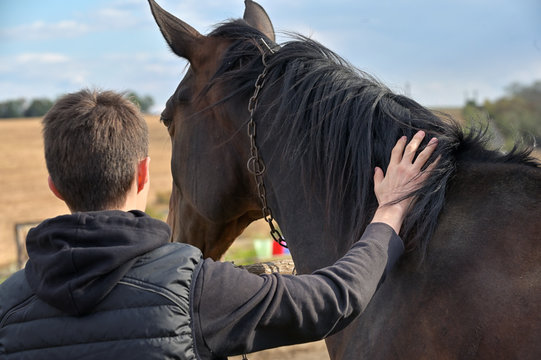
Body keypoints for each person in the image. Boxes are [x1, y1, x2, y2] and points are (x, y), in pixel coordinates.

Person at [0, 89, 437, 360]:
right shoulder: (194, 289)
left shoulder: (7, 307)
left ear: (55, 186)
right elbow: (333, 297)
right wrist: (389, 212)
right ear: (143, 174)